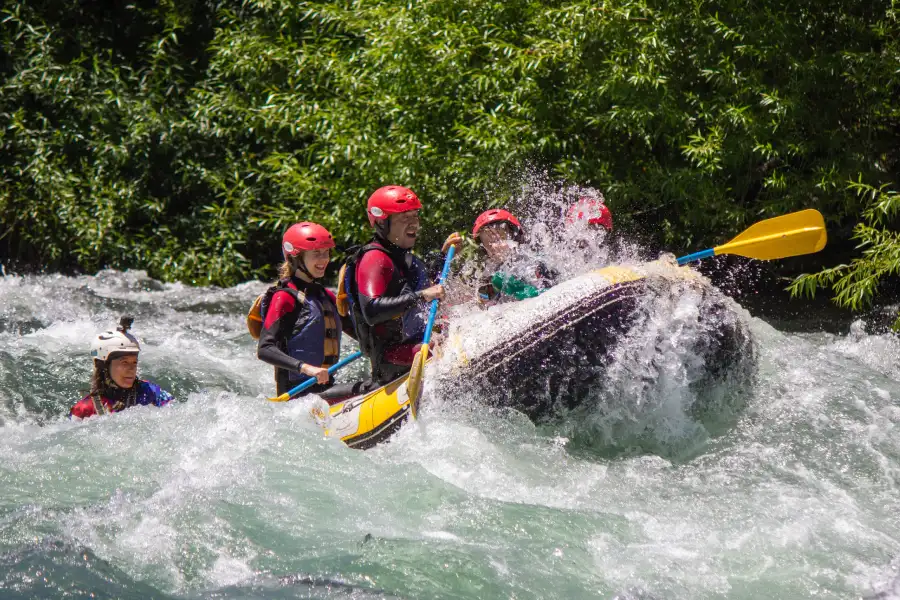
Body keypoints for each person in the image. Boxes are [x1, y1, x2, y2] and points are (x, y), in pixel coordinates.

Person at [339, 185, 461, 385]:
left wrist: (443, 258)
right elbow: (371, 310)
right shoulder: (373, 259)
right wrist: (422, 295)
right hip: (392, 358)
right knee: (444, 348)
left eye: (415, 217)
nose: (414, 224)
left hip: (416, 342)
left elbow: (421, 285)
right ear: (382, 222)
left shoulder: (402, 257)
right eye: (405, 218)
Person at [252, 221, 357, 398]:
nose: (324, 260)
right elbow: (265, 349)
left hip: (325, 389)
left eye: (326, 253)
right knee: (362, 389)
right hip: (298, 394)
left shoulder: (326, 296)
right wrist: (306, 368)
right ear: (296, 257)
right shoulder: (284, 297)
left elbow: (358, 333)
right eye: (316, 254)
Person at [70, 317, 174, 418]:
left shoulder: (150, 392)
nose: (131, 368)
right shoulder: (84, 409)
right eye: (124, 362)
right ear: (103, 366)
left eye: (134, 362)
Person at [471, 208, 557, 303]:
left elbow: (550, 293)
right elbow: (481, 304)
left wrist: (518, 289)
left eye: (500, 239)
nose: (495, 246)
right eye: (489, 244)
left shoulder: (534, 262)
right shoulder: (489, 278)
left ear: (516, 239)